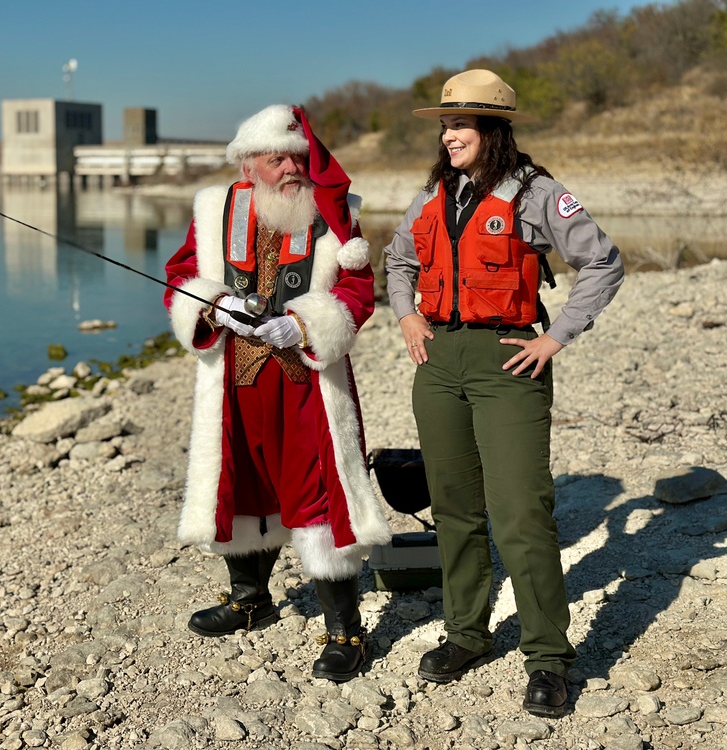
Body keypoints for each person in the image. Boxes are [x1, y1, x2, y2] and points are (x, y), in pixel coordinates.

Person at [383, 69, 624, 716]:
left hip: (509, 361)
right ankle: (468, 634)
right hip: (437, 363)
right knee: (455, 508)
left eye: (459, 123)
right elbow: (398, 259)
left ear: (492, 130)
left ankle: (548, 658)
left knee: (521, 514)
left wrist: (557, 337)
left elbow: (603, 261)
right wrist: (406, 313)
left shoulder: (538, 193)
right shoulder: (433, 192)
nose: (447, 133)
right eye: (444, 123)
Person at [163, 104, 392, 682]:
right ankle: (250, 599)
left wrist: (307, 323)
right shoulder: (214, 211)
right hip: (235, 378)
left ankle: (346, 632)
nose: (292, 168)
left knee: (315, 490)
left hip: (305, 381)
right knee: (244, 481)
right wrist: (213, 304)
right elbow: (182, 274)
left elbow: (360, 288)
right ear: (248, 166)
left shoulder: (336, 216)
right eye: (277, 159)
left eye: (297, 157)